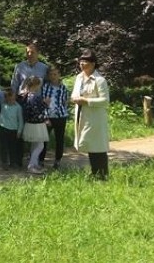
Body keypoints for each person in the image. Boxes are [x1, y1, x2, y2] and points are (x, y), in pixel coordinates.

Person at [71, 49, 110, 180]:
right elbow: (75, 93)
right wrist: (74, 98)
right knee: (89, 145)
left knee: (97, 146)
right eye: (81, 61)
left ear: (93, 64)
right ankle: (95, 172)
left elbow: (105, 101)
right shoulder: (79, 78)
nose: (82, 64)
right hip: (82, 116)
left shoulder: (99, 80)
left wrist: (86, 101)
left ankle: (102, 174)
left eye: (85, 62)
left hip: (95, 118)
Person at [41, 65, 69, 169]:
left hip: (61, 116)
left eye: (55, 74)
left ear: (59, 75)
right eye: (51, 74)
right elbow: (43, 102)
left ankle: (58, 160)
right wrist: (45, 116)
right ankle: (41, 159)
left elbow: (65, 101)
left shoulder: (63, 88)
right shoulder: (45, 87)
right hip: (48, 116)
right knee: (44, 139)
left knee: (59, 139)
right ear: (48, 76)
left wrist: (65, 103)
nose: (53, 76)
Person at [20, 77, 49, 174]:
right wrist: (46, 105)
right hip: (37, 123)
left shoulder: (26, 95)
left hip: (30, 123)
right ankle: (31, 165)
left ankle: (35, 164)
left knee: (35, 144)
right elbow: (37, 111)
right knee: (40, 145)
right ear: (36, 85)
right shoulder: (35, 97)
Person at [0, 88, 24, 169]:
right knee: (3, 147)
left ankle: (13, 162)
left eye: (13, 98)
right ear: (6, 98)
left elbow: (20, 120)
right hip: (3, 128)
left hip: (13, 130)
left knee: (13, 147)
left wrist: (19, 131)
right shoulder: (2, 104)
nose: (11, 100)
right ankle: (4, 162)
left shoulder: (18, 107)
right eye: (9, 98)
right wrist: (6, 92)